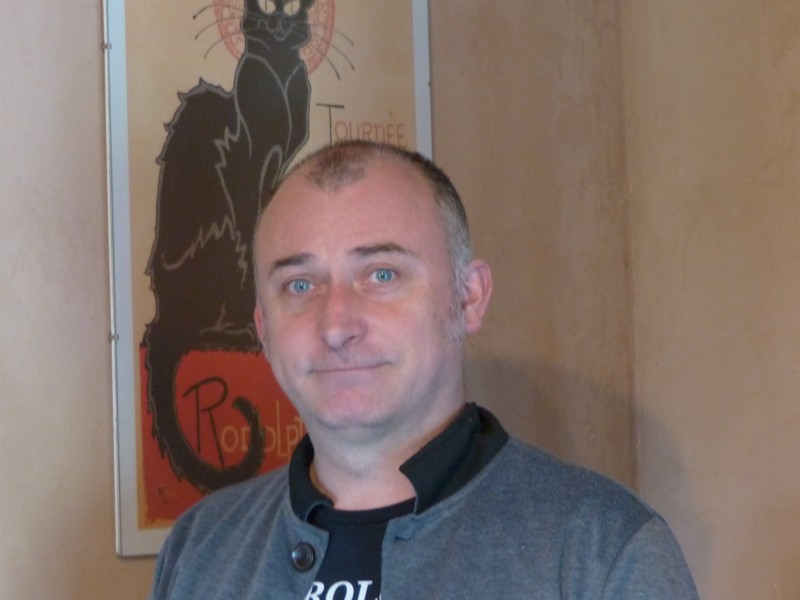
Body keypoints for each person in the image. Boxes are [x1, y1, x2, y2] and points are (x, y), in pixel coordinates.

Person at [149, 140, 699, 599]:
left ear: (468, 297)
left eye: (381, 275)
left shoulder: (604, 554)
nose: (336, 325)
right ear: (263, 328)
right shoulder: (199, 549)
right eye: (299, 285)